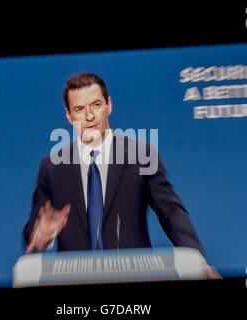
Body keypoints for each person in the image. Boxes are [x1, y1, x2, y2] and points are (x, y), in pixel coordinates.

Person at [22, 72, 221, 279]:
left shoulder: (141, 156)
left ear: (109, 105)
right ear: (68, 115)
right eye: (79, 109)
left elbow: (171, 213)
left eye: (96, 105)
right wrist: (42, 236)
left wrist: (198, 262)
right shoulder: (52, 167)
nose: (89, 116)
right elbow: (33, 231)